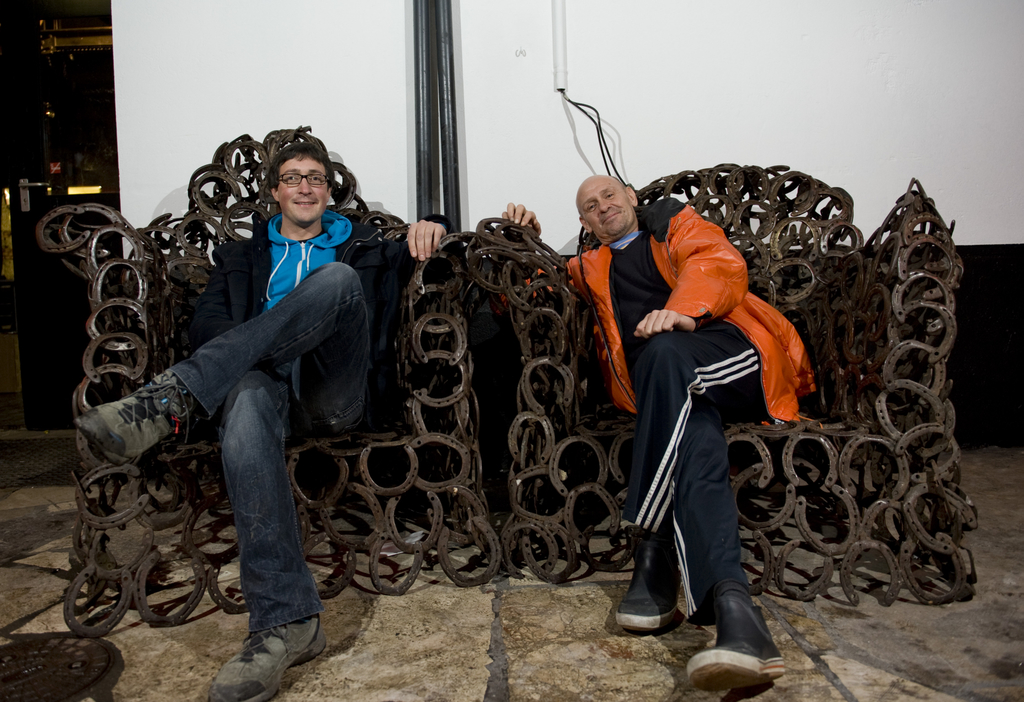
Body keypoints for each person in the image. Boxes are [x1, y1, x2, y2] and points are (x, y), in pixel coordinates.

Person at [75, 141, 449, 702]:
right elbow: (206, 329)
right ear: (274, 191)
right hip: (262, 389)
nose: (305, 186)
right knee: (246, 394)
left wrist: (434, 222)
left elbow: (443, 241)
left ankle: (169, 401)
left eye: (316, 178)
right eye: (293, 178)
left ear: (329, 192)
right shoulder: (238, 258)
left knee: (335, 282)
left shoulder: (367, 248)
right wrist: (263, 346)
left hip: (330, 392)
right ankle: (286, 622)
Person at [504, 175, 815, 692]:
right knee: (695, 438)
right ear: (584, 224)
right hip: (674, 390)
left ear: (631, 198)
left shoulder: (673, 226)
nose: (603, 207)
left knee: (665, 351)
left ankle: (652, 549)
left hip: (735, 357)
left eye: (609, 195)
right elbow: (524, 294)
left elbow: (715, 260)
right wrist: (523, 241)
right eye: (590, 206)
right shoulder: (587, 267)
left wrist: (682, 311)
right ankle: (737, 614)